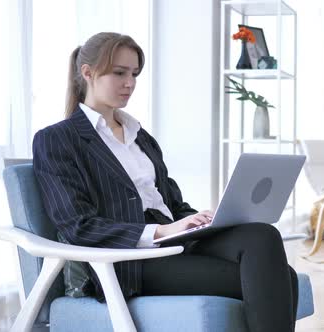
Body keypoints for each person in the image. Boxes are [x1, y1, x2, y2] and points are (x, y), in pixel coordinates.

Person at [32, 32, 298, 332]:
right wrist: (160, 230)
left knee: (261, 234)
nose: (129, 83)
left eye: (134, 73)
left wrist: (200, 220)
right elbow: (76, 225)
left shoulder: (140, 136)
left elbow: (173, 204)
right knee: (281, 278)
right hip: (130, 260)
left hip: (175, 242)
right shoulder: (57, 139)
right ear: (87, 72)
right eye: (119, 73)